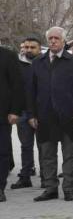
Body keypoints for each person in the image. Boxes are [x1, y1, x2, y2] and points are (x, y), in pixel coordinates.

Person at [28, 27, 73, 202]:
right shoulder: (38, 62)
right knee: (47, 154)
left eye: (56, 38)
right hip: (45, 116)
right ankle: (50, 188)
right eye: (50, 38)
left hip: (68, 116)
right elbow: (31, 91)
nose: (53, 41)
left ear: (63, 41)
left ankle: (68, 188)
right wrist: (32, 114)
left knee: (69, 154)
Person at [10, 37, 40, 190]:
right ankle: (25, 176)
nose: (29, 50)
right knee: (26, 146)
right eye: (26, 47)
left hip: (41, 112)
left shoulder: (45, 63)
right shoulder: (16, 65)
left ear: (39, 49)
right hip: (23, 112)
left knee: (44, 146)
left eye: (32, 47)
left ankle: (47, 177)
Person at [0, 44, 25, 202]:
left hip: (2, 114)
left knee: (2, 153)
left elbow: (17, 85)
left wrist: (15, 111)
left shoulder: (8, 56)